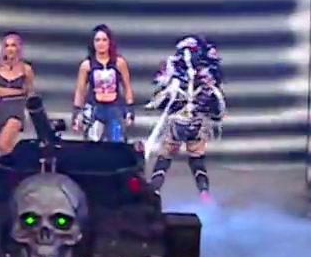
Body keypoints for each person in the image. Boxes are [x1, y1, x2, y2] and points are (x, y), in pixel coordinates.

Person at [146, 35, 225, 200]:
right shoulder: (206, 79)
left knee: (166, 158)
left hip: (183, 122)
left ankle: (155, 191)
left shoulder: (179, 77)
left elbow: (159, 99)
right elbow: (217, 109)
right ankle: (203, 192)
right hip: (192, 123)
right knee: (195, 159)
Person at [71, 25, 135, 142]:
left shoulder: (119, 63)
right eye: (97, 40)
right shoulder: (86, 65)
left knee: (117, 142)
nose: (101, 43)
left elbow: (127, 88)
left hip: (115, 108)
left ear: (109, 42)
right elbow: (80, 91)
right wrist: (76, 114)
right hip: (95, 108)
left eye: (104, 40)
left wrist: (130, 110)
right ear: (93, 43)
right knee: (93, 144)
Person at [0, 32, 36, 153]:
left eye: (13, 45)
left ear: (19, 48)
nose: (10, 49)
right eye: (6, 45)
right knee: (5, 147)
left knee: (3, 144)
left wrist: (9, 92)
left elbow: (30, 91)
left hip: (16, 110)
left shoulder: (26, 69)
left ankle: (21, 162)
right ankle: (19, 161)